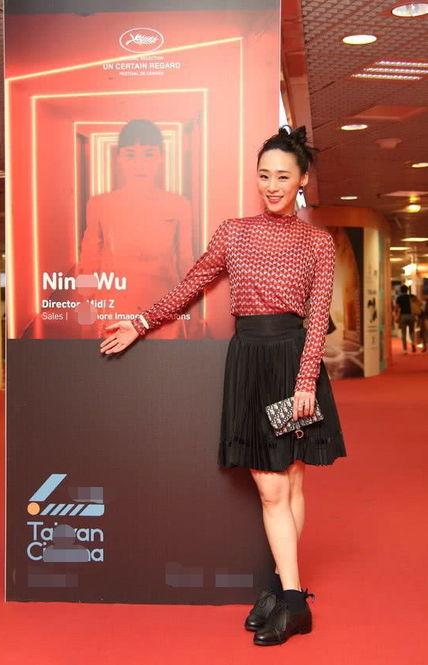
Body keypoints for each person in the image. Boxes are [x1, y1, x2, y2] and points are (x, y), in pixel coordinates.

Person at [99, 125, 347, 646]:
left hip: (293, 363)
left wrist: (306, 381)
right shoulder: (234, 232)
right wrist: (141, 322)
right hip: (251, 361)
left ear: (302, 179)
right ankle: (286, 592)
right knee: (273, 483)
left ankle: (290, 599)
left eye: (283, 177)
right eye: (264, 176)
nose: (272, 186)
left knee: (289, 481)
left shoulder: (318, 243)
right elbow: (194, 281)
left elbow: (317, 316)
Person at [77, 118, 195, 339]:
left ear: (160, 157)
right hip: (114, 313)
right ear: (119, 158)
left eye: (149, 154)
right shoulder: (100, 204)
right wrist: (85, 318)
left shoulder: (179, 205)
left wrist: (192, 318)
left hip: (163, 313)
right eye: (130, 155)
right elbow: (89, 260)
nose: (140, 164)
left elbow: (185, 262)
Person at [394, 284, 419, 354]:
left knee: (403, 333)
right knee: (412, 331)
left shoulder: (399, 298)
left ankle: (405, 349)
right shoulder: (412, 296)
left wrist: (396, 315)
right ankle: (413, 343)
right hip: (411, 316)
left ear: (401, 290)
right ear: (407, 290)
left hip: (403, 316)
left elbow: (396, 307)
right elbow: (418, 304)